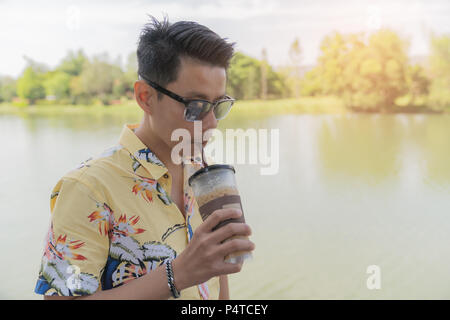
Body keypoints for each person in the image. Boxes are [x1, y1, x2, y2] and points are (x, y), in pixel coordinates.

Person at [34, 15, 255, 300]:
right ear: (146, 97)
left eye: (218, 106)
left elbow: (217, 276)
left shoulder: (207, 171)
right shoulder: (88, 188)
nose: (211, 123)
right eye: (196, 106)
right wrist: (178, 274)